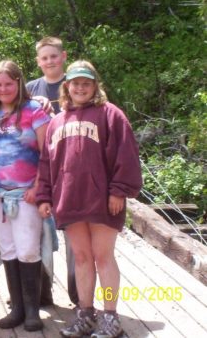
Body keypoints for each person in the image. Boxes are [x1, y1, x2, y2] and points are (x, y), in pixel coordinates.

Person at [37, 61, 142, 338]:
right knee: (82, 258)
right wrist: (44, 196)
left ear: (95, 86)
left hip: (103, 200)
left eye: (86, 83)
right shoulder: (57, 122)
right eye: (75, 83)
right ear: (67, 87)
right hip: (70, 200)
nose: (80, 88)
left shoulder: (111, 115)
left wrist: (119, 190)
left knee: (103, 257)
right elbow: (46, 163)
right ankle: (85, 314)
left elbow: (126, 155)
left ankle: (110, 317)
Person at [0, 60, 50, 331]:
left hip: (25, 194)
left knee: (28, 249)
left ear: (19, 82)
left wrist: (38, 188)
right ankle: (17, 308)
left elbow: (47, 152)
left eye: (9, 83)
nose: (3, 88)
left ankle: (32, 311)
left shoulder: (34, 111)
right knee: (8, 249)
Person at [26, 36, 79, 307]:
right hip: (38, 174)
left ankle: (79, 295)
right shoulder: (29, 89)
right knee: (38, 234)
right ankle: (41, 293)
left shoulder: (77, 86)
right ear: (38, 61)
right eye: (44, 58)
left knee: (75, 238)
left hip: (71, 174)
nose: (49, 61)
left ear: (64, 56)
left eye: (53, 56)